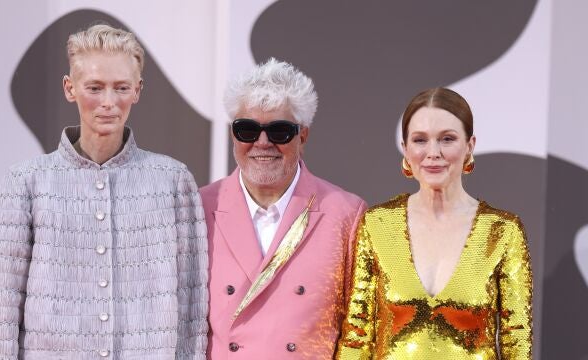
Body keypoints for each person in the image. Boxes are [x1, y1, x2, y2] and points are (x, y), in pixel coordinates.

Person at [0, 24, 208, 359]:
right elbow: (4, 302)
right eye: (95, 87)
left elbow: (193, 301)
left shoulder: (173, 181)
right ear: (69, 88)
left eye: (121, 88)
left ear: (137, 90)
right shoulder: (25, 183)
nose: (108, 102)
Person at [336, 87, 532, 359]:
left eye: (447, 139)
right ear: (405, 149)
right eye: (420, 140)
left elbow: (517, 343)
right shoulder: (378, 225)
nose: (433, 152)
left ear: (469, 146)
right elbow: (357, 336)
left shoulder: (502, 232)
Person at [200, 58, 367, 359]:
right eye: (247, 130)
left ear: (303, 136)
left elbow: (359, 330)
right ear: (233, 135)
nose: (262, 143)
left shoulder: (346, 214)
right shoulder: (199, 209)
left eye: (279, 131)